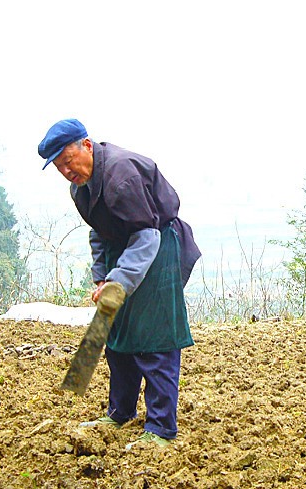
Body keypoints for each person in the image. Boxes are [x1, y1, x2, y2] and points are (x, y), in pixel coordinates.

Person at [38, 118, 200, 448]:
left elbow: (146, 235)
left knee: (154, 337)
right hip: (125, 246)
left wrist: (120, 280)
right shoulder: (80, 188)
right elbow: (99, 232)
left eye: (69, 162)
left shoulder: (120, 176)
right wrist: (103, 277)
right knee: (116, 334)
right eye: (59, 168)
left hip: (156, 246)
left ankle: (160, 428)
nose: (67, 172)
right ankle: (120, 411)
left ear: (86, 145)